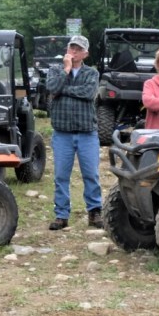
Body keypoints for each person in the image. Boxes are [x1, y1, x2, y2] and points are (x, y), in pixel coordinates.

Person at [47, 34, 102, 230]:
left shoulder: (92, 73)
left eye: (78, 49)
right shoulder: (55, 70)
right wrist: (66, 70)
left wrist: (64, 91)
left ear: (85, 53)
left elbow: (88, 94)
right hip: (62, 133)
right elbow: (52, 87)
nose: (74, 51)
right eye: (72, 47)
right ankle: (61, 215)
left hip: (87, 132)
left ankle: (95, 212)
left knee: (91, 174)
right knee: (61, 175)